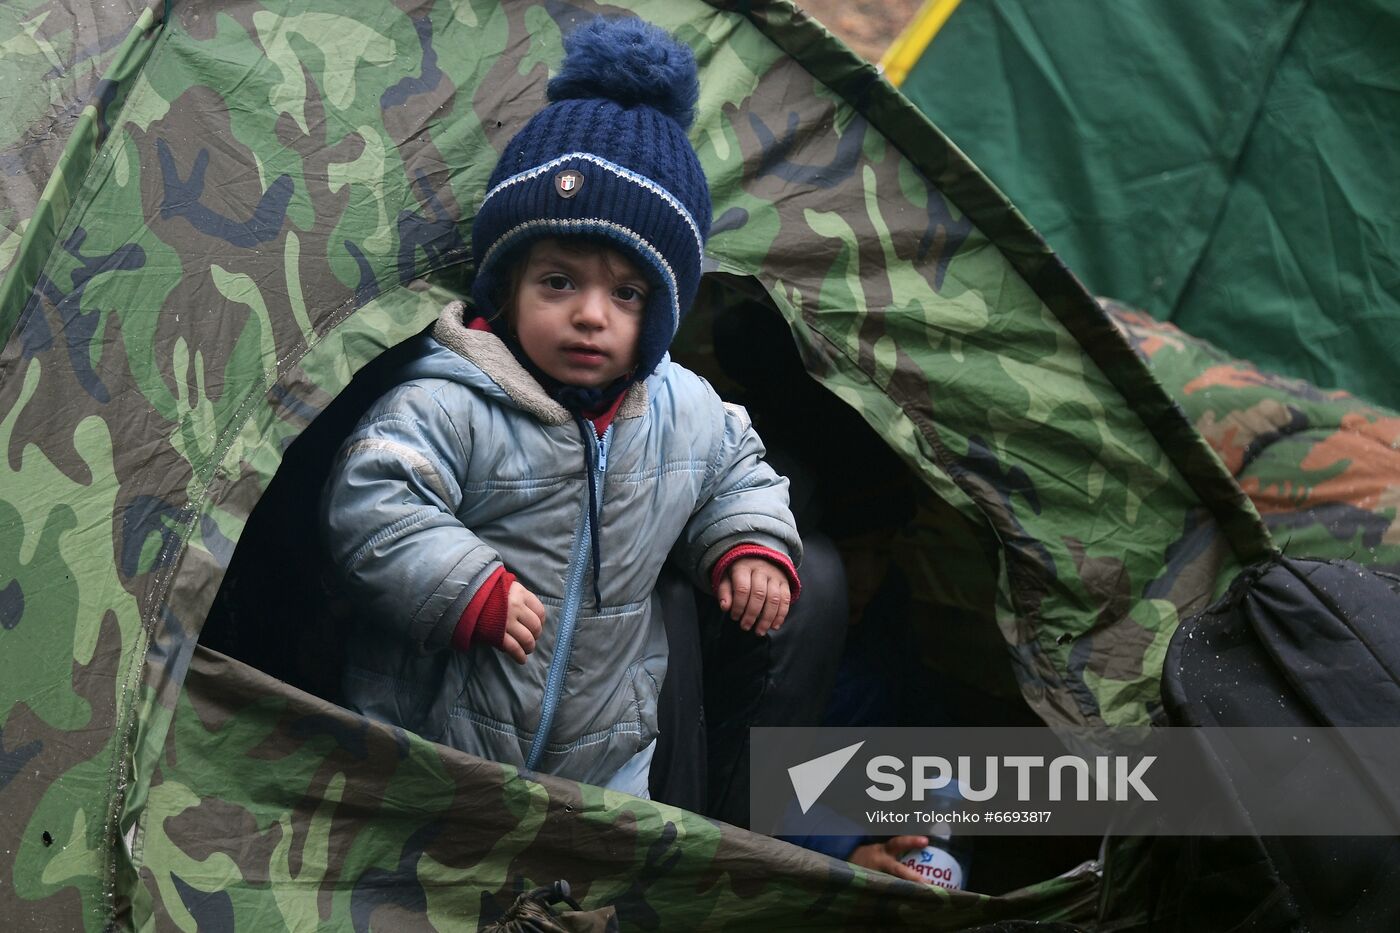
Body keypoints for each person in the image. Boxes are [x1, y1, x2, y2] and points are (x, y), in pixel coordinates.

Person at [319, 17, 801, 798]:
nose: (590, 314)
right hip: (431, 750)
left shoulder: (681, 409)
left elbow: (736, 468)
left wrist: (748, 541)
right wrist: (466, 584)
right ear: (506, 284)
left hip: (606, 764)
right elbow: (372, 498)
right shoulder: (450, 398)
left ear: (663, 311)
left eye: (628, 293)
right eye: (558, 281)